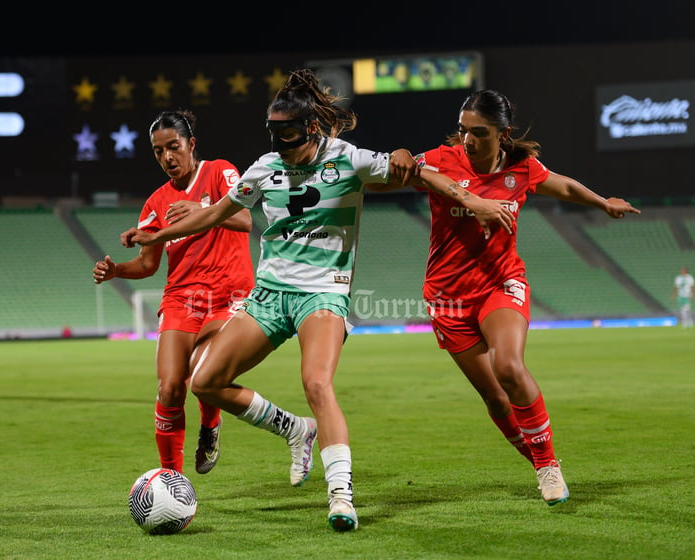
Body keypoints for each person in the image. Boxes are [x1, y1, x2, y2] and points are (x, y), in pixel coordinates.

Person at [120, 69, 514, 531]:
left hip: (323, 291)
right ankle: (295, 430)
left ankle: (341, 496)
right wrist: (157, 232)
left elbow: (421, 171)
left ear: (310, 127)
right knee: (204, 381)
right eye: (274, 133)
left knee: (317, 383)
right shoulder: (265, 168)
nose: (281, 144)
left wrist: (472, 198)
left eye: (288, 133)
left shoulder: (347, 159)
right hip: (270, 293)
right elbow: (212, 214)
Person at [413, 89, 641, 506]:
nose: (468, 140)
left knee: (509, 367)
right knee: (496, 399)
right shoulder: (441, 160)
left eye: (479, 133)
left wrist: (601, 202)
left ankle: (547, 466)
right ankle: (537, 457)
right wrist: (403, 155)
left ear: (503, 133)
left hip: (501, 282)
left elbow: (564, 187)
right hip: (447, 297)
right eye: (463, 131)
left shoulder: (521, 168)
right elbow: (404, 169)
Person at [93, 110, 255, 475]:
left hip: (228, 295)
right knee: (169, 388)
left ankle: (210, 425)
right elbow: (147, 264)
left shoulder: (219, 172)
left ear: (191, 144)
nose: (167, 157)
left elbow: (245, 219)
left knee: (202, 377)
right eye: (157, 151)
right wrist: (117, 270)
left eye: (173, 147)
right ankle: (172, 480)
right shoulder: (155, 203)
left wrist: (203, 208)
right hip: (181, 298)